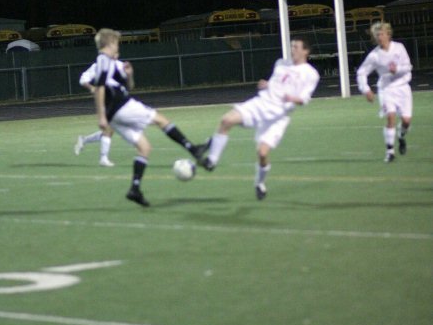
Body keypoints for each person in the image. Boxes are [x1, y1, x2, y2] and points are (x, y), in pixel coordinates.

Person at [92, 28, 208, 207]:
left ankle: (135, 189)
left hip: (116, 114)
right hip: (122, 107)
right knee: (161, 120)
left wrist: (129, 75)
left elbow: (128, 86)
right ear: (109, 44)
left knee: (145, 148)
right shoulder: (103, 59)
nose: (118, 46)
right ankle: (193, 149)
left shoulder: (112, 64)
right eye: (116, 43)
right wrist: (101, 117)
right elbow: (99, 87)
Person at [199, 38, 320, 200]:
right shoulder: (281, 64)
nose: (293, 50)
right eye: (292, 46)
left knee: (262, 153)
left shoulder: (311, 74)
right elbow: (275, 84)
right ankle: (212, 160)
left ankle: (259, 183)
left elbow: (304, 99)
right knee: (226, 120)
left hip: (277, 117)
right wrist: (267, 84)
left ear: (306, 51)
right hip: (261, 104)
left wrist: (290, 97)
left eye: (296, 47)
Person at [356, 21, 413, 162]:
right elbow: (362, 72)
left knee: (406, 121)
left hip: (403, 88)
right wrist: (366, 89)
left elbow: (408, 66)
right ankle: (390, 151)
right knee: (391, 118)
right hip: (386, 90)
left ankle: (401, 136)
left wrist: (397, 70)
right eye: (376, 35)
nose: (379, 37)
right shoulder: (374, 55)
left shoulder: (399, 48)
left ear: (388, 34)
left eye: (381, 34)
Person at [74, 62, 115, 166]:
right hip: (103, 100)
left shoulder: (117, 65)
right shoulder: (98, 66)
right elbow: (83, 80)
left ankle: (83, 140)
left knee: (110, 130)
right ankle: (103, 158)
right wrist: (92, 88)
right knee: (108, 129)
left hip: (115, 101)